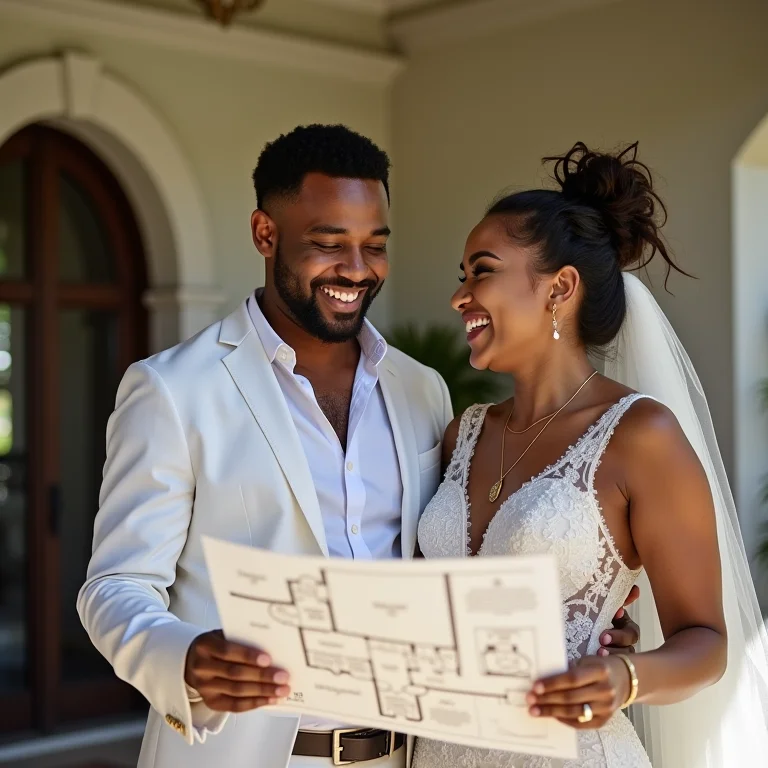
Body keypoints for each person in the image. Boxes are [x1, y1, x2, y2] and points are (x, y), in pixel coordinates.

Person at [76, 125, 638, 768]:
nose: (356, 268)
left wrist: (582, 624)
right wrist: (185, 659)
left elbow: (455, 565)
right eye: (328, 244)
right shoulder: (172, 389)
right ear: (265, 233)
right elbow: (116, 585)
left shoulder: (421, 390)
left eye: (375, 245)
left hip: (407, 756)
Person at [414, 142, 768, 768]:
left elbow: (707, 642)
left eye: (481, 272)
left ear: (560, 288)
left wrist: (624, 677)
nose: (459, 296)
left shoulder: (641, 436)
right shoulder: (462, 435)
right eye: (461, 275)